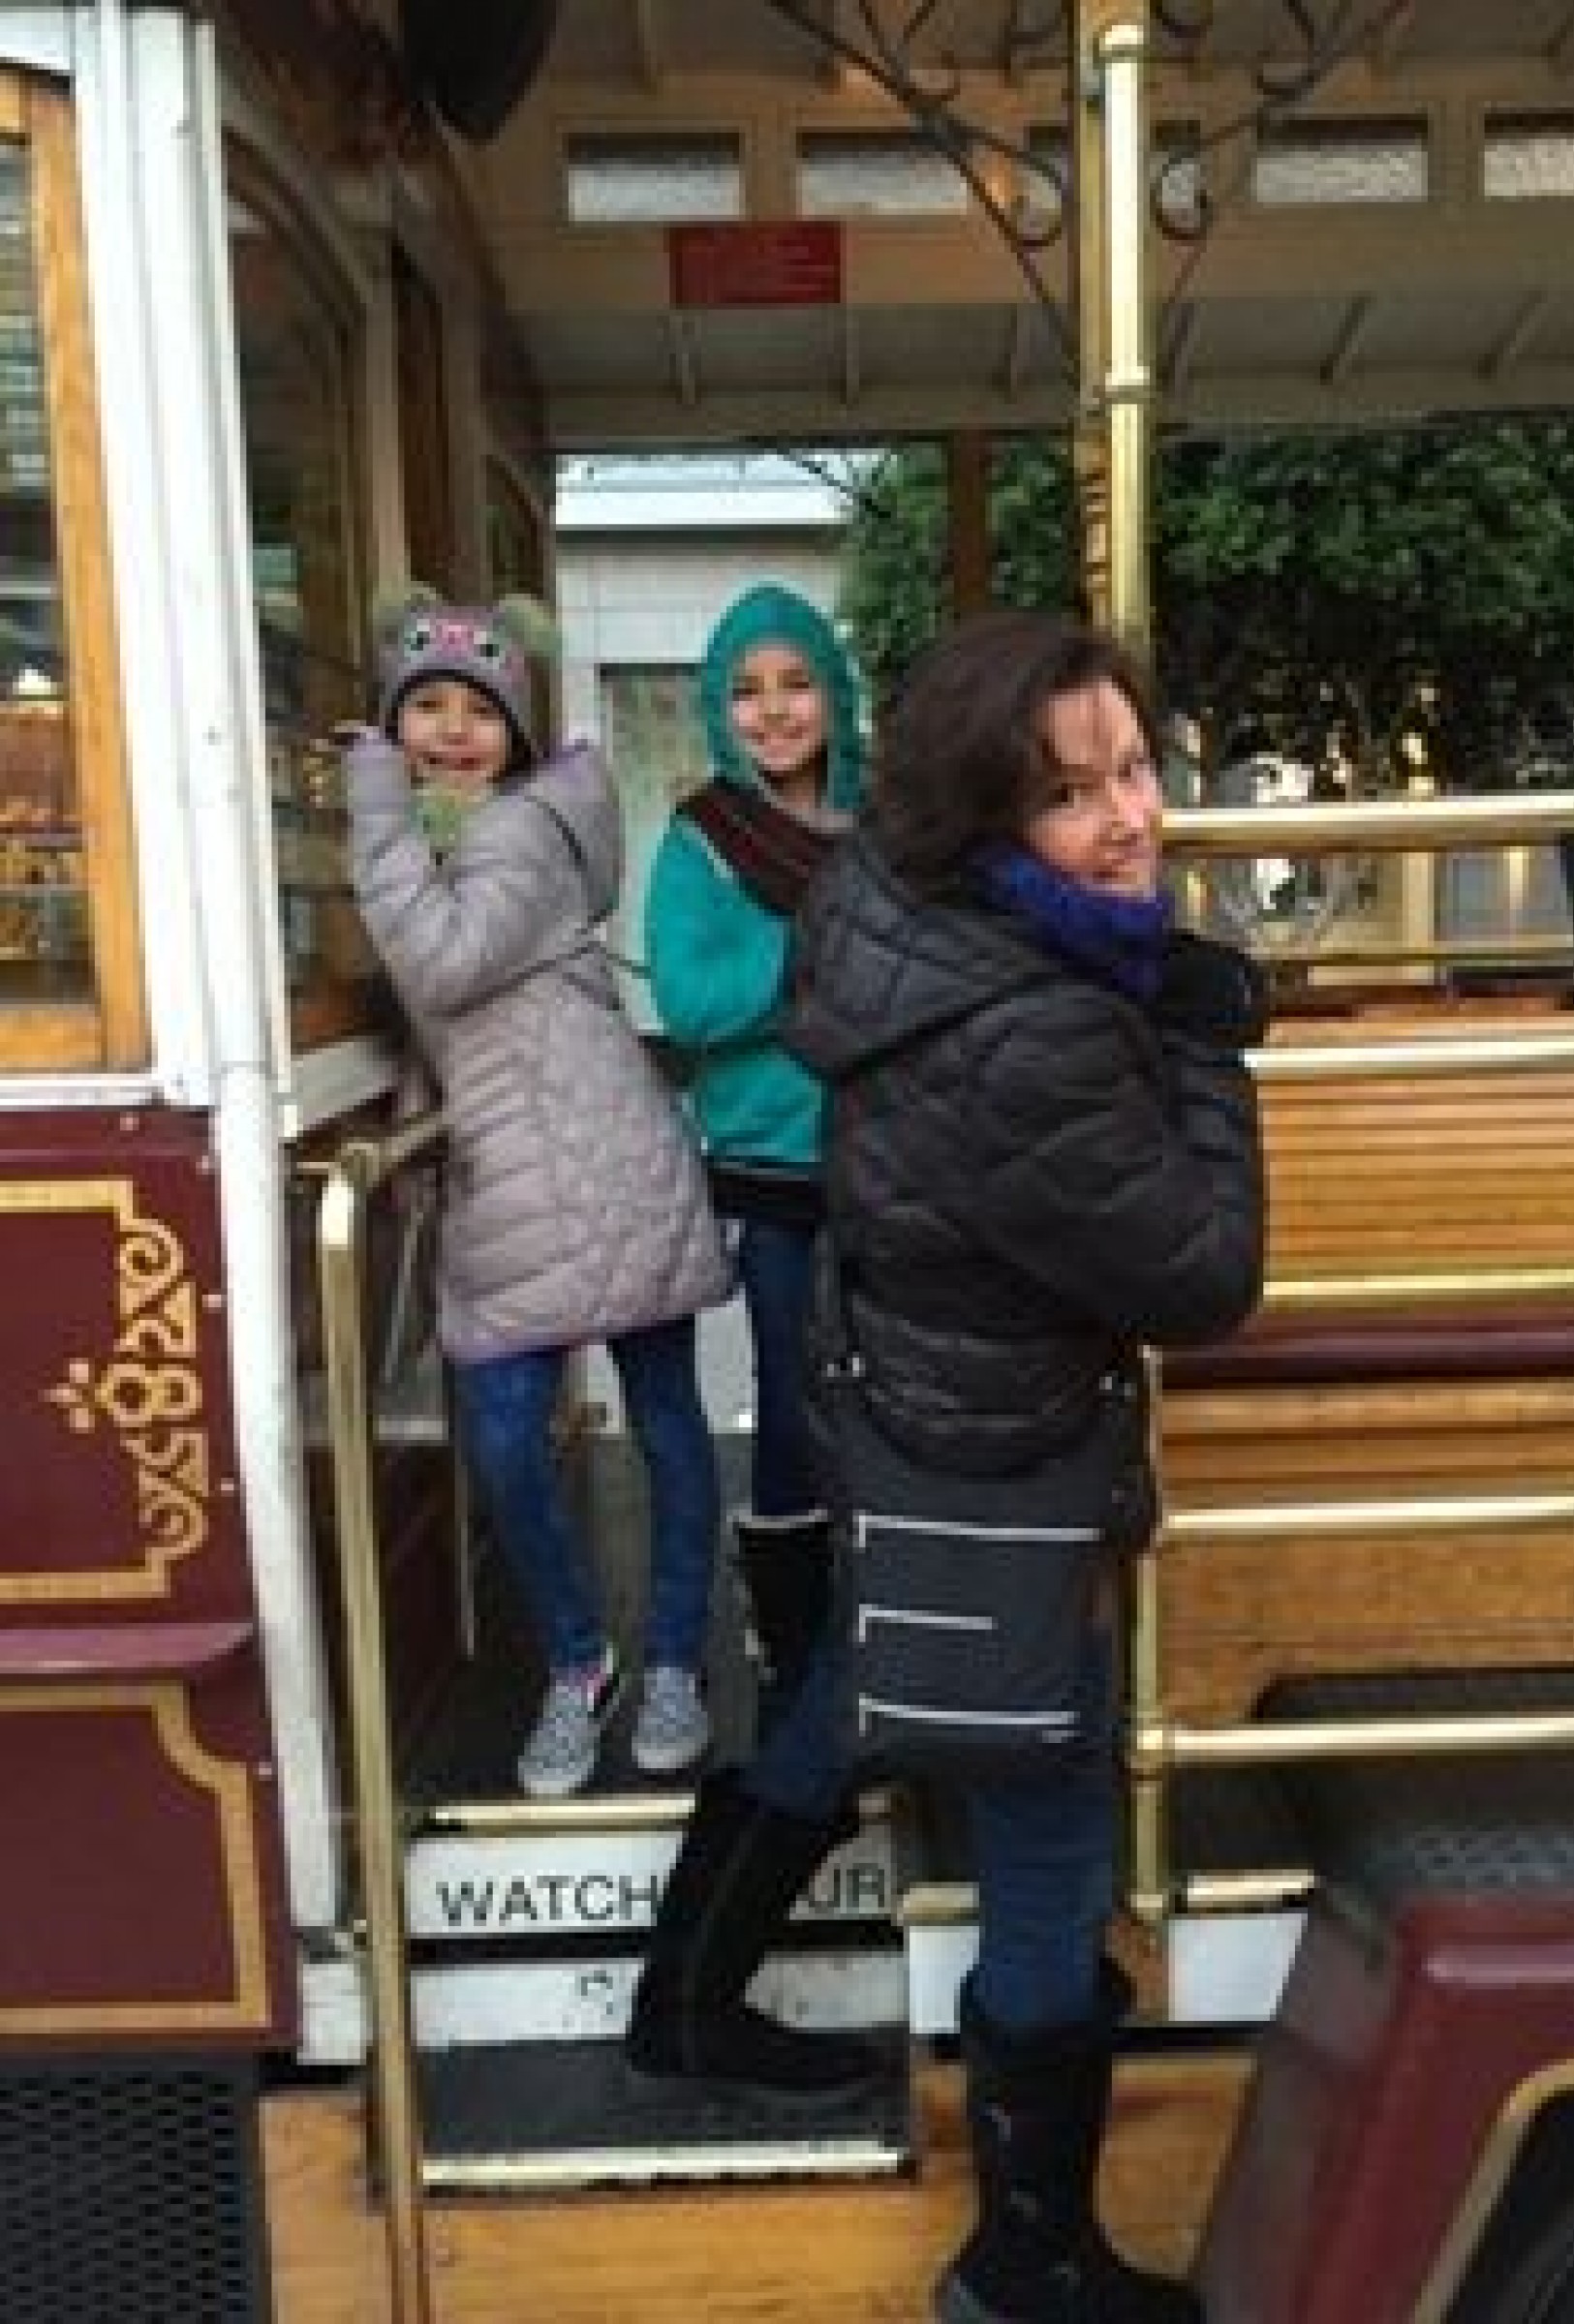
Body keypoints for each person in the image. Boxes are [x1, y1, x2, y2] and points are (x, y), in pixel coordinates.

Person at [626, 608, 1267, 2322]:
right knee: (1047, 1823)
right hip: (1000, 1448)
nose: (1131, 818)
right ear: (986, 820)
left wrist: (1145, 986)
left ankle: (686, 1998)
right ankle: (1024, 2262)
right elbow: (1207, 1276)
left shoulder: (889, 911)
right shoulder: (1036, 1025)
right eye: (1073, 794)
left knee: (859, 1679)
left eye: (1136, 768)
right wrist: (1206, 1044)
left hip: (910, 1406)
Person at [345, 589, 734, 1794]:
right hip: (517, 1169)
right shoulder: (447, 837)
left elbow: (442, 964)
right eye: (427, 708)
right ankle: (587, 1664)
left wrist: (370, 804)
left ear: (516, 732)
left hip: (596, 1162)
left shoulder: (514, 832)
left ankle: (669, 1660)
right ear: (395, 720)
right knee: (520, 1439)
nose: (453, 731)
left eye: (478, 711)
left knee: (651, 1422)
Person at [645, 583, 865, 1722]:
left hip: (892, 1165)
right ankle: (789, 1640)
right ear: (716, 709)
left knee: (895, 1397)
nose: (773, 711)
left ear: (835, 693)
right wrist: (824, 951)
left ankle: (882, 1621)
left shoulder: (889, 825)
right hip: (773, 1179)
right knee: (792, 1395)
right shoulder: (701, 837)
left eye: (795, 683)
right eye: (745, 691)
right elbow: (690, 1004)